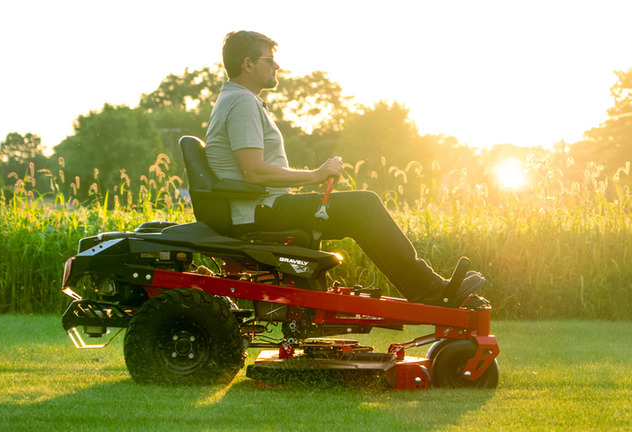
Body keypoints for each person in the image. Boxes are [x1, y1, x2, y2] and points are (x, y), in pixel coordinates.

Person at [204, 30, 484, 307]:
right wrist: (315, 175)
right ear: (248, 64)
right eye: (269, 59)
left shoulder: (240, 100)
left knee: (360, 208)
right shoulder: (241, 102)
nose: (276, 65)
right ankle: (430, 290)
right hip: (260, 212)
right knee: (363, 206)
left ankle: (427, 289)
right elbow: (252, 171)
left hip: (263, 207)